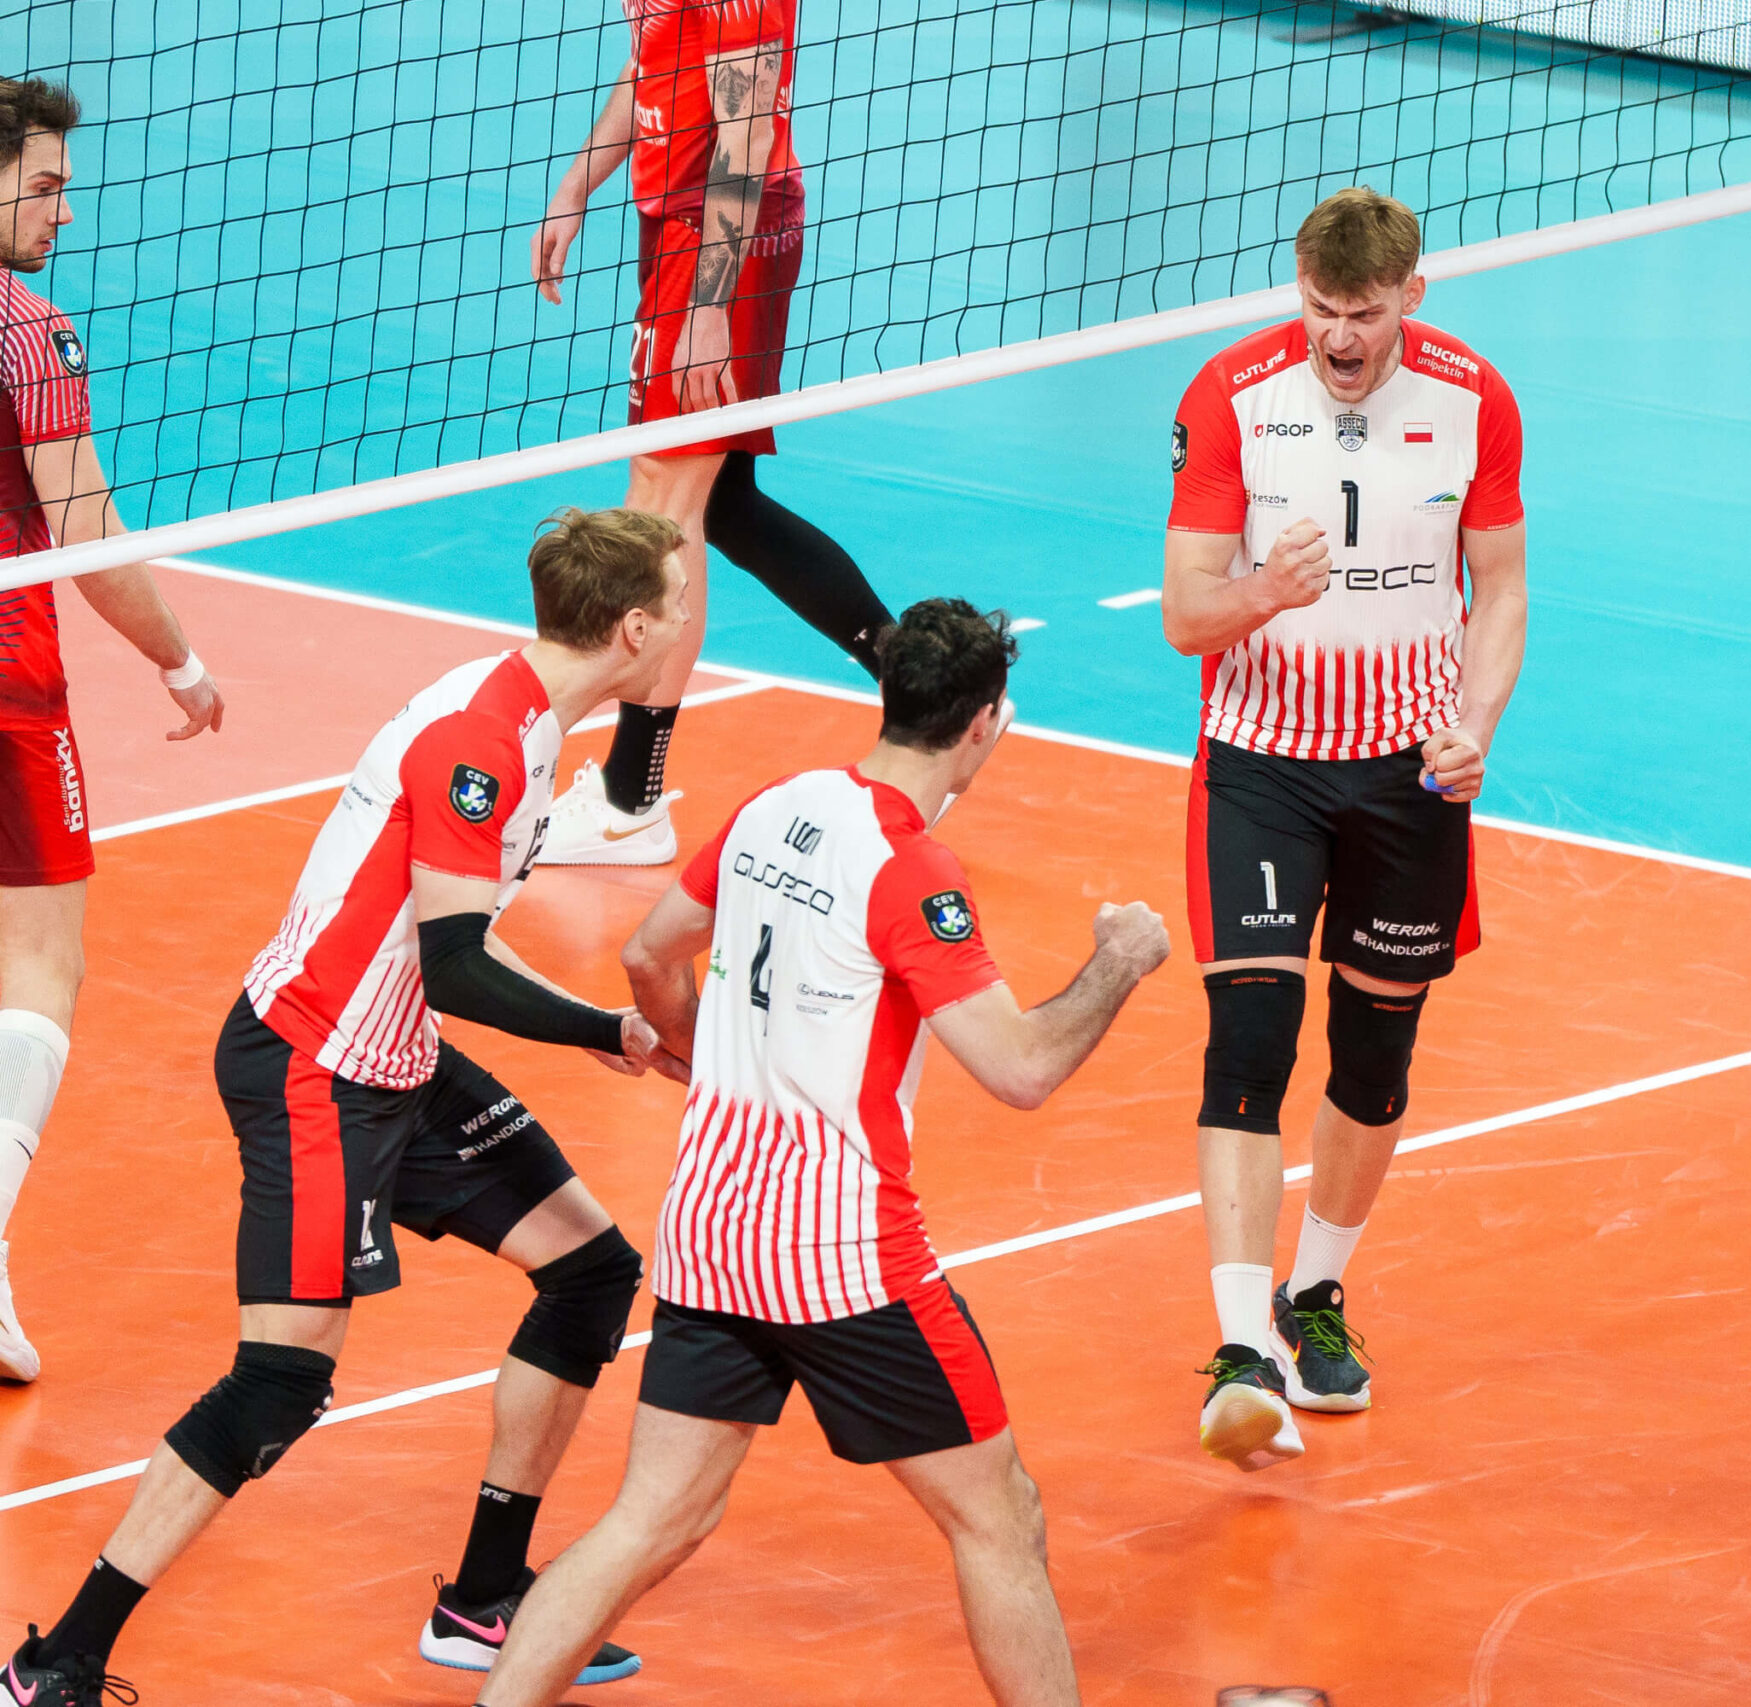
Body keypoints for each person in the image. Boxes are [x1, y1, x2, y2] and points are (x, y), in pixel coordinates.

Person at [1, 509, 696, 1707]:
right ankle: (53, 1665)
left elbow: (452, 939)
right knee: (280, 1382)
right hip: (314, 1066)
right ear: (634, 629)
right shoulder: (482, 742)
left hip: (395, 1059)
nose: (688, 625)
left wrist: (607, 1024)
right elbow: (455, 965)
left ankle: (482, 1601)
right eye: (678, 607)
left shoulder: (525, 717)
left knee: (590, 1274)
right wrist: (607, 1031)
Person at [468, 599, 1169, 1707]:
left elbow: (650, 953)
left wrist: (711, 1062)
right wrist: (1120, 961)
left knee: (652, 1518)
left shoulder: (775, 804)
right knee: (999, 1517)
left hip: (708, 1230)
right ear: (985, 722)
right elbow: (1022, 1069)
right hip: (843, 1258)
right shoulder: (911, 868)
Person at [1160, 186, 1527, 1469]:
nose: (1338, 336)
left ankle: (1311, 1294)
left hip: (1410, 776)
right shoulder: (1230, 394)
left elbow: (1501, 588)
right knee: (1250, 1042)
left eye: (1364, 313)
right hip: (1262, 765)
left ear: (1410, 297)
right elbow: (1185, 616)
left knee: (1375, 1059)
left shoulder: (1475, 398)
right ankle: (1237, 1348)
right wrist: (1265, 589)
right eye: (1321, 308)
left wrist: (1473, 725)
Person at [530, 0, 895, 867]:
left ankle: (630, 803)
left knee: (661, 505)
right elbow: (647, 67)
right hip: (676, 224)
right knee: (720, 504)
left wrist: (709, 302)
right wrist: (576, 186)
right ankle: (920, 682)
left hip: (723, 234)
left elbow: (748, 129)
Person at [0, 74, 227, 1383]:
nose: (66, 213)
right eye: (45, 188)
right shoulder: (29, 331)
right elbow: (86, 535)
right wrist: (180, 661)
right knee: (41, 963)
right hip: (10, 677)